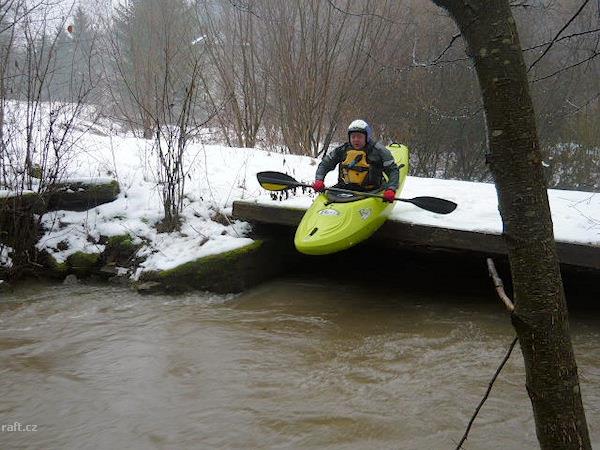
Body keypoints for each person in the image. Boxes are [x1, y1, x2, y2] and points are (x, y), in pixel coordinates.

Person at [312, 119, 399, 202]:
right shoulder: (342, 150)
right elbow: (325, 164)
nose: (356, 140)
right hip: (345, 189)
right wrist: (319, 180)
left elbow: (392, 170)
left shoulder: (380, 151)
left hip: (371, 191)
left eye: (359, 137)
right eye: (353, 137)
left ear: (367, 137)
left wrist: (391, 188)